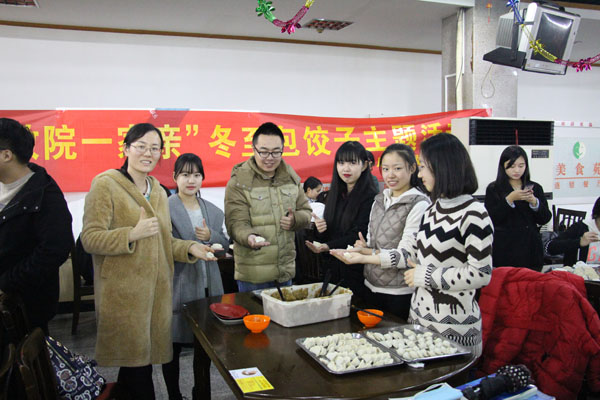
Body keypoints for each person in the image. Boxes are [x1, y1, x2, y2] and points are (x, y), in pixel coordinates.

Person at [81, 123, 215, 400]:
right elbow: (90, 239)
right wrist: (131, 234)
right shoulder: (105, 184)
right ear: (126, 149)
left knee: (137, 366)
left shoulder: (158, 190)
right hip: (124, 296)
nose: (148, 153)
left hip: (157, 295)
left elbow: (164, 240)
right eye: (141, 146)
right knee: (138, 370)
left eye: (155, 148)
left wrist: (191, 248)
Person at [404, 133, 493, 356]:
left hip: (455, 332)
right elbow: (412, 254)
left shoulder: (474, 214)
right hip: (419, 325)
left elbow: (481, 274)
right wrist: (368, 255)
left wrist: (425, 275)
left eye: (423, 167)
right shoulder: (431, 209)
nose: (419, 174)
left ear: (442, 168)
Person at [330, 143, 429, 320]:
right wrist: (363, 247)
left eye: (397, 168)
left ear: (412, 168)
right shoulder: (379, 200)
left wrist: (363, 257)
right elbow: (373, 244)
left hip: (399, 291)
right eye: (385, 169)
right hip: (370, 286)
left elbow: (407, 256)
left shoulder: (419, 204)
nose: (390, 175)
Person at [162, 153, 229, 400]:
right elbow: (161, 245)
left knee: (204, 346)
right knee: (171, 347)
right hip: (178, 283)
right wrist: (190, 246)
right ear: (175, 177)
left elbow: (224, 244)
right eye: (185, 174)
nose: (191, 180)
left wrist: (211, 236)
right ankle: (174, 395)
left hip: (207, 284)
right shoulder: (164, 208)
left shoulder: (211, 210)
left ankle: (201, 392)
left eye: (197, 175)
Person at [0, 118, 73, 335]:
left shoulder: (45, 195)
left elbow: (54, 250)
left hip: (22, 309)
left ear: (6, 155)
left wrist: (5, 284)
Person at [224, 122, 312, 292]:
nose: (270, 157)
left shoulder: (290, 178)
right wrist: (249, 237)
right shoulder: (239, 182)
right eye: (263, 152)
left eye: (276, 152)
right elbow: (235, 223)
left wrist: (295, 220)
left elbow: (306, 211)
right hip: (254, 274)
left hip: (285, 272)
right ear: (253, 149)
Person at [306, 141, 378, 303]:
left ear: (364, 166)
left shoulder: (370, 197)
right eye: (341, 163)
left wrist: (327, 246)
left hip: (355, 271)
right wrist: (321, 230)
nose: (346, 168)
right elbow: (330, 233)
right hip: (332, 270)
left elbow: (358, 234)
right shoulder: (333, 195)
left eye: (352, 163)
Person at [484, 145, 551, 271]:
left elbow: (545, 218)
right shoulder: (494, 189)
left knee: (531, 280)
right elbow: (491, 219)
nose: (517, 170)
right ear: (503, 166)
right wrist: (509, 199)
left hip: (530, 249)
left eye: (521, 166)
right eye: (512, 166)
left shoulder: (535, 187)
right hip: (506, 249)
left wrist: (534, 202)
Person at [547, 197, 600, 266]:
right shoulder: (579, 228)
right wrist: (579, 242)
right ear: (596, 215)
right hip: (577, 271)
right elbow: (551, 247)